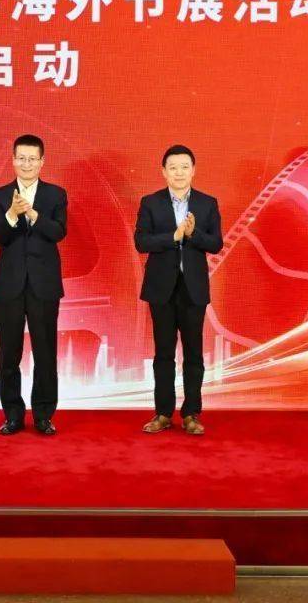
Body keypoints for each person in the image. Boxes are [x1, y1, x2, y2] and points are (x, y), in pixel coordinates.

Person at [135, 144, 222, 436]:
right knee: (163, 354)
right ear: (164, 172)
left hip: (193, 289)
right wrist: (173, 236)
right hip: (161, 288)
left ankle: (191, 414)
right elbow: (141, 242)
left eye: (185, 167)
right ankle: (162, 413)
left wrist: (193, 234)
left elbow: (216, 244)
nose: (179, 172)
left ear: (193, 170)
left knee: (194, 354)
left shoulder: (207, 203)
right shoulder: (150, 202)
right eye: (173, 167)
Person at [0, 134, 67, 436]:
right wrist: (12, 214)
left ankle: (44, 415)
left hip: (44, 285)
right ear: (13, 160)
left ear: (42, 162)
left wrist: (32, 214)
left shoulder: (55, 195)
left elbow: (58, 232)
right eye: (21, 158)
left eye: (32, 159)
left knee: (45, 352)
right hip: (10, 285)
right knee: (9, 354)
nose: (26, 164)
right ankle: (12, 415)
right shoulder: (0, 196)